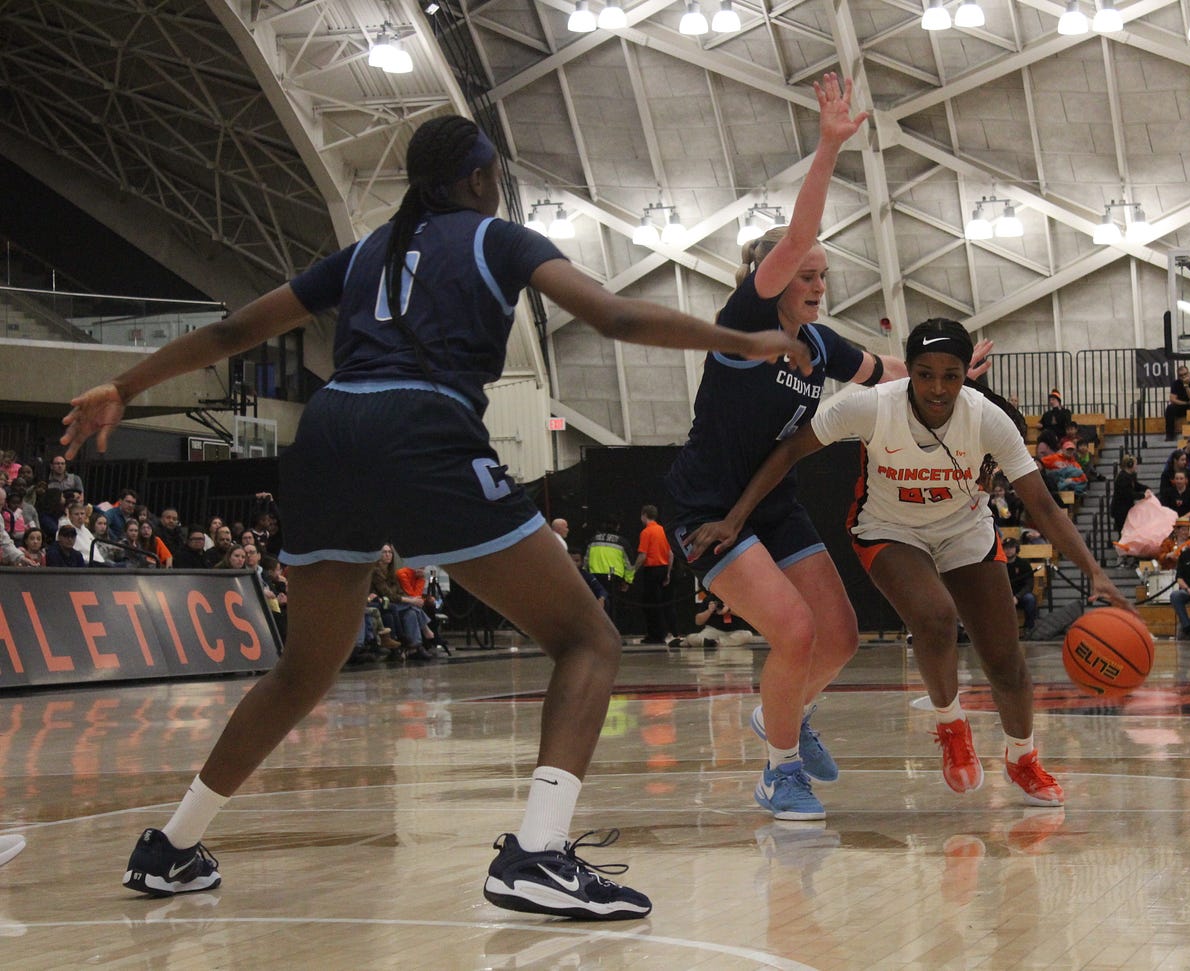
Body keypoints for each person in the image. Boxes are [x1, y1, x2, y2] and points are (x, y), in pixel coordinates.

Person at [62, 113, 809, 921]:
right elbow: (617, 319)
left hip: (329, 429)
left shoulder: (367, 253)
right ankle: (539, 853)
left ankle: (172, 846)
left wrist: (127, 387)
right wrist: (746, 339)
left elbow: (237, 328)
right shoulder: (499, 239)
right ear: (482, 179)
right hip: (419, 428)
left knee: (303, 669)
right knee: (587, 639)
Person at [686, 318, 1127, 812]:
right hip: (889, 529)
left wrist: (1096, 573)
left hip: (964, 530)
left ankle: (1023, 758)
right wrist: (734, 518)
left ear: (966, 377)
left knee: (1006, 660)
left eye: (951, 375)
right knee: (936, 617)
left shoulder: (987, 419)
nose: (937, 388)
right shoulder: (870, 405)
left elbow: (1043, 507)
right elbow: (789, 449)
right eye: (925, 374)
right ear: (909, 373)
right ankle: (951, 726)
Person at [663, 74, 931, 822]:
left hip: (771, 504)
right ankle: (779, 769)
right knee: (794, 630)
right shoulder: (746, 328)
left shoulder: (820, 342)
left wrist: (949, 369)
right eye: (803, 273)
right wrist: (827, 148)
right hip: (709, 506)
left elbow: (890, 372)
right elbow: (796, 237)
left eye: (822, 275)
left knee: (840, 637)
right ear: (769, 280)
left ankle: (778, 717)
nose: (816, 282)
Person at [631, 505, 675, 644]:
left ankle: (654, 635)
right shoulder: (663, 530)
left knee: (650, 604)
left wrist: (633, 569)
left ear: (644, 515)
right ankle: (664, 632)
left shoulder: (646, 532)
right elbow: (670, 554)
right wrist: (668, 572)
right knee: (661, 603)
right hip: (663, 569)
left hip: (652, 570)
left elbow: (643, 555)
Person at [1004, 537, 1038, 636]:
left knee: (1030, 599)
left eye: (1011, 547)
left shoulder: (1023, 564)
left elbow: (1029, 585)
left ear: (1016, 548)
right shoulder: (999, 565)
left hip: (1020, 596)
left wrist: (1017, 597)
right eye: (1006, 548)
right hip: (1003, 596)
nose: (1009, 550)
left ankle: (1029, 628)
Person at [1109, 454, 1148, 534]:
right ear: (1130, 464)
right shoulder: (1123, 478)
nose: (1136, 466)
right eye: (1135, 464)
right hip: (1120, 511)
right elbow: (1128, 494)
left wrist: (1146, 488)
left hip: (1126, 508)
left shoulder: (1130, 476)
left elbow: (1135, 485)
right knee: (1124, 532)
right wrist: (1143, 495)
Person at [1164, 364, 1190, 441]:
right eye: (1181, 375)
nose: (1183, 376)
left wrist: (1186, 386)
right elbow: (1172, 399)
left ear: (1189, 373)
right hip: (1182, 405)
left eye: (1185, 374)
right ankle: (1170, 435)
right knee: (1170, 408)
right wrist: (1186, 403)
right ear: (1178, 376)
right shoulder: (1175, 383)